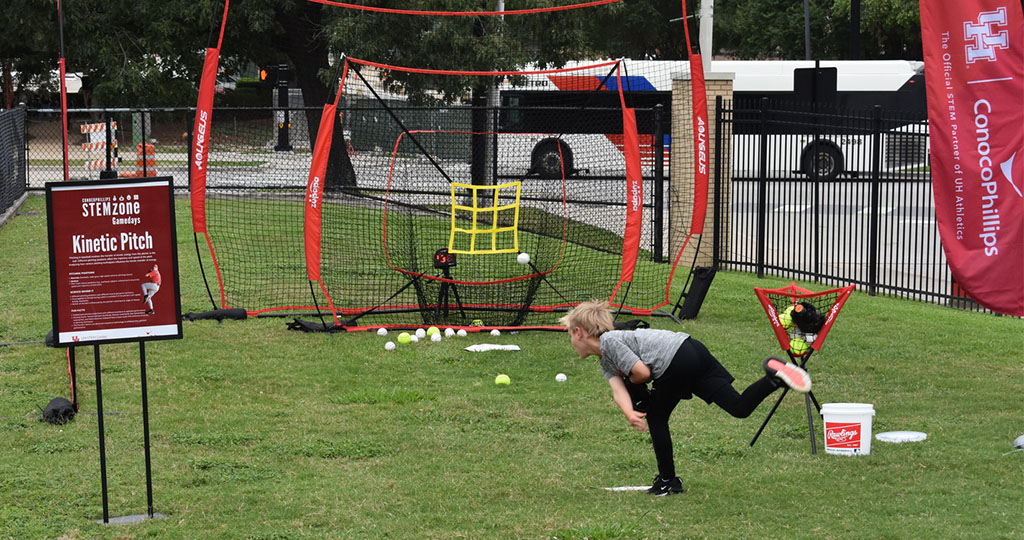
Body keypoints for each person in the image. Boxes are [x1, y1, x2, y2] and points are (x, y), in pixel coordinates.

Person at [559, 300, 811, 496]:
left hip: (676, 360)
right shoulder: (606, 358)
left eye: (569, 334)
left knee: (657, 416)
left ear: (579, 332)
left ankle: (668, 482)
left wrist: (635, 388)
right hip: (692, 350)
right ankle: (775, 378)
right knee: (738, 407)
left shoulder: (611, 342)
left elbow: (642, 374)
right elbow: (618, 389)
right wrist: (629, 411)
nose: (571, 341)